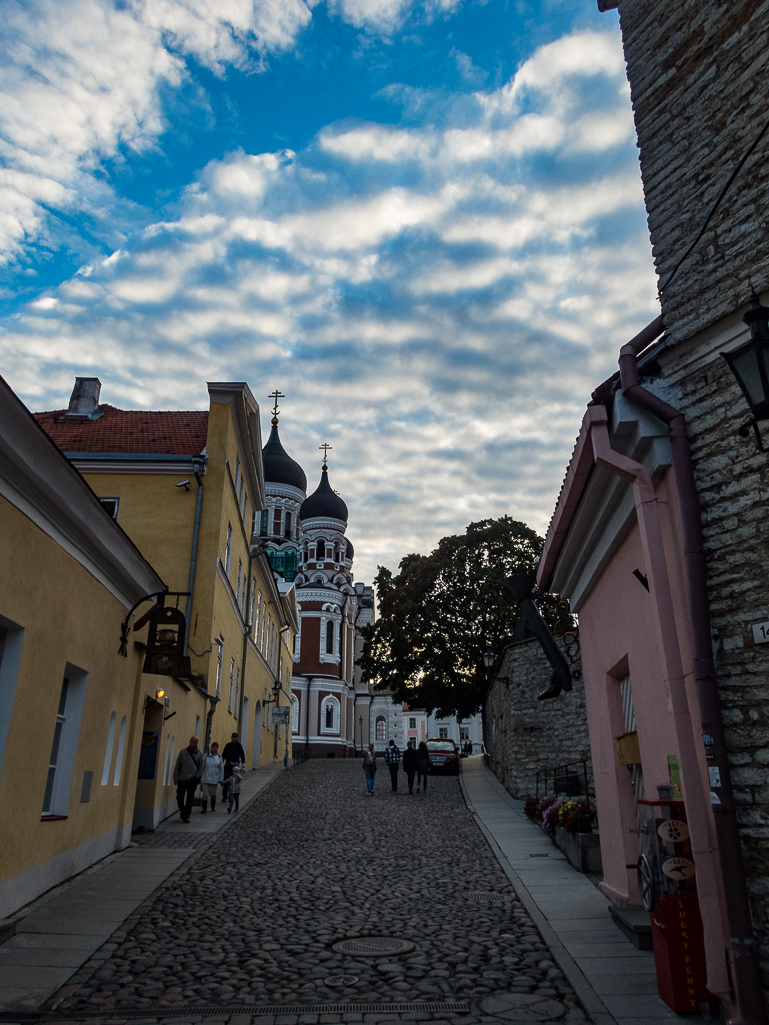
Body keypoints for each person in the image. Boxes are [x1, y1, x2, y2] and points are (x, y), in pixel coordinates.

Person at [173, 735, 203, 823]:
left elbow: (202, 766)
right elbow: (178, 765)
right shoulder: (183, 752)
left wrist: (197, 776)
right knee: (180, 796)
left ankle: (186, 815)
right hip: (182, 778)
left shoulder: (199, 754)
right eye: (194, 742)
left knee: (190, 798)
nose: (195, 744)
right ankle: (183, 811)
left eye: (196, 743)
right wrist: (175, 777)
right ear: (190, 743)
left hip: (192, 779)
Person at [199, 741, 224, 813]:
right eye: (213, 747)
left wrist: (221, 778)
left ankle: (213, 807)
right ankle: (204, 808)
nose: (215, 748)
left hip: (214, 778)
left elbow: (221, 769)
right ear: (211, 748)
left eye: (216, 747)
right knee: (205, 794)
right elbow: (202, 766)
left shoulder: (219, 757)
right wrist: (201, 775)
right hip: (205, 778)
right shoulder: (206, 756)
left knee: (213, 794)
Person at [221, 732, 245, 799]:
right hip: (228, 764)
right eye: (233, 737)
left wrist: (243, 762)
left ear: (237, 738)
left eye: (235, 737)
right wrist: (221, 763)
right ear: (231, 738)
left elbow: (242, 755)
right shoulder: (228, 745)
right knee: (226, 780)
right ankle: (225, 796)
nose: (234, 739)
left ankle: (231, 795)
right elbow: (224, 755)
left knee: (233, 781)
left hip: (235, 765)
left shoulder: (239, 746)